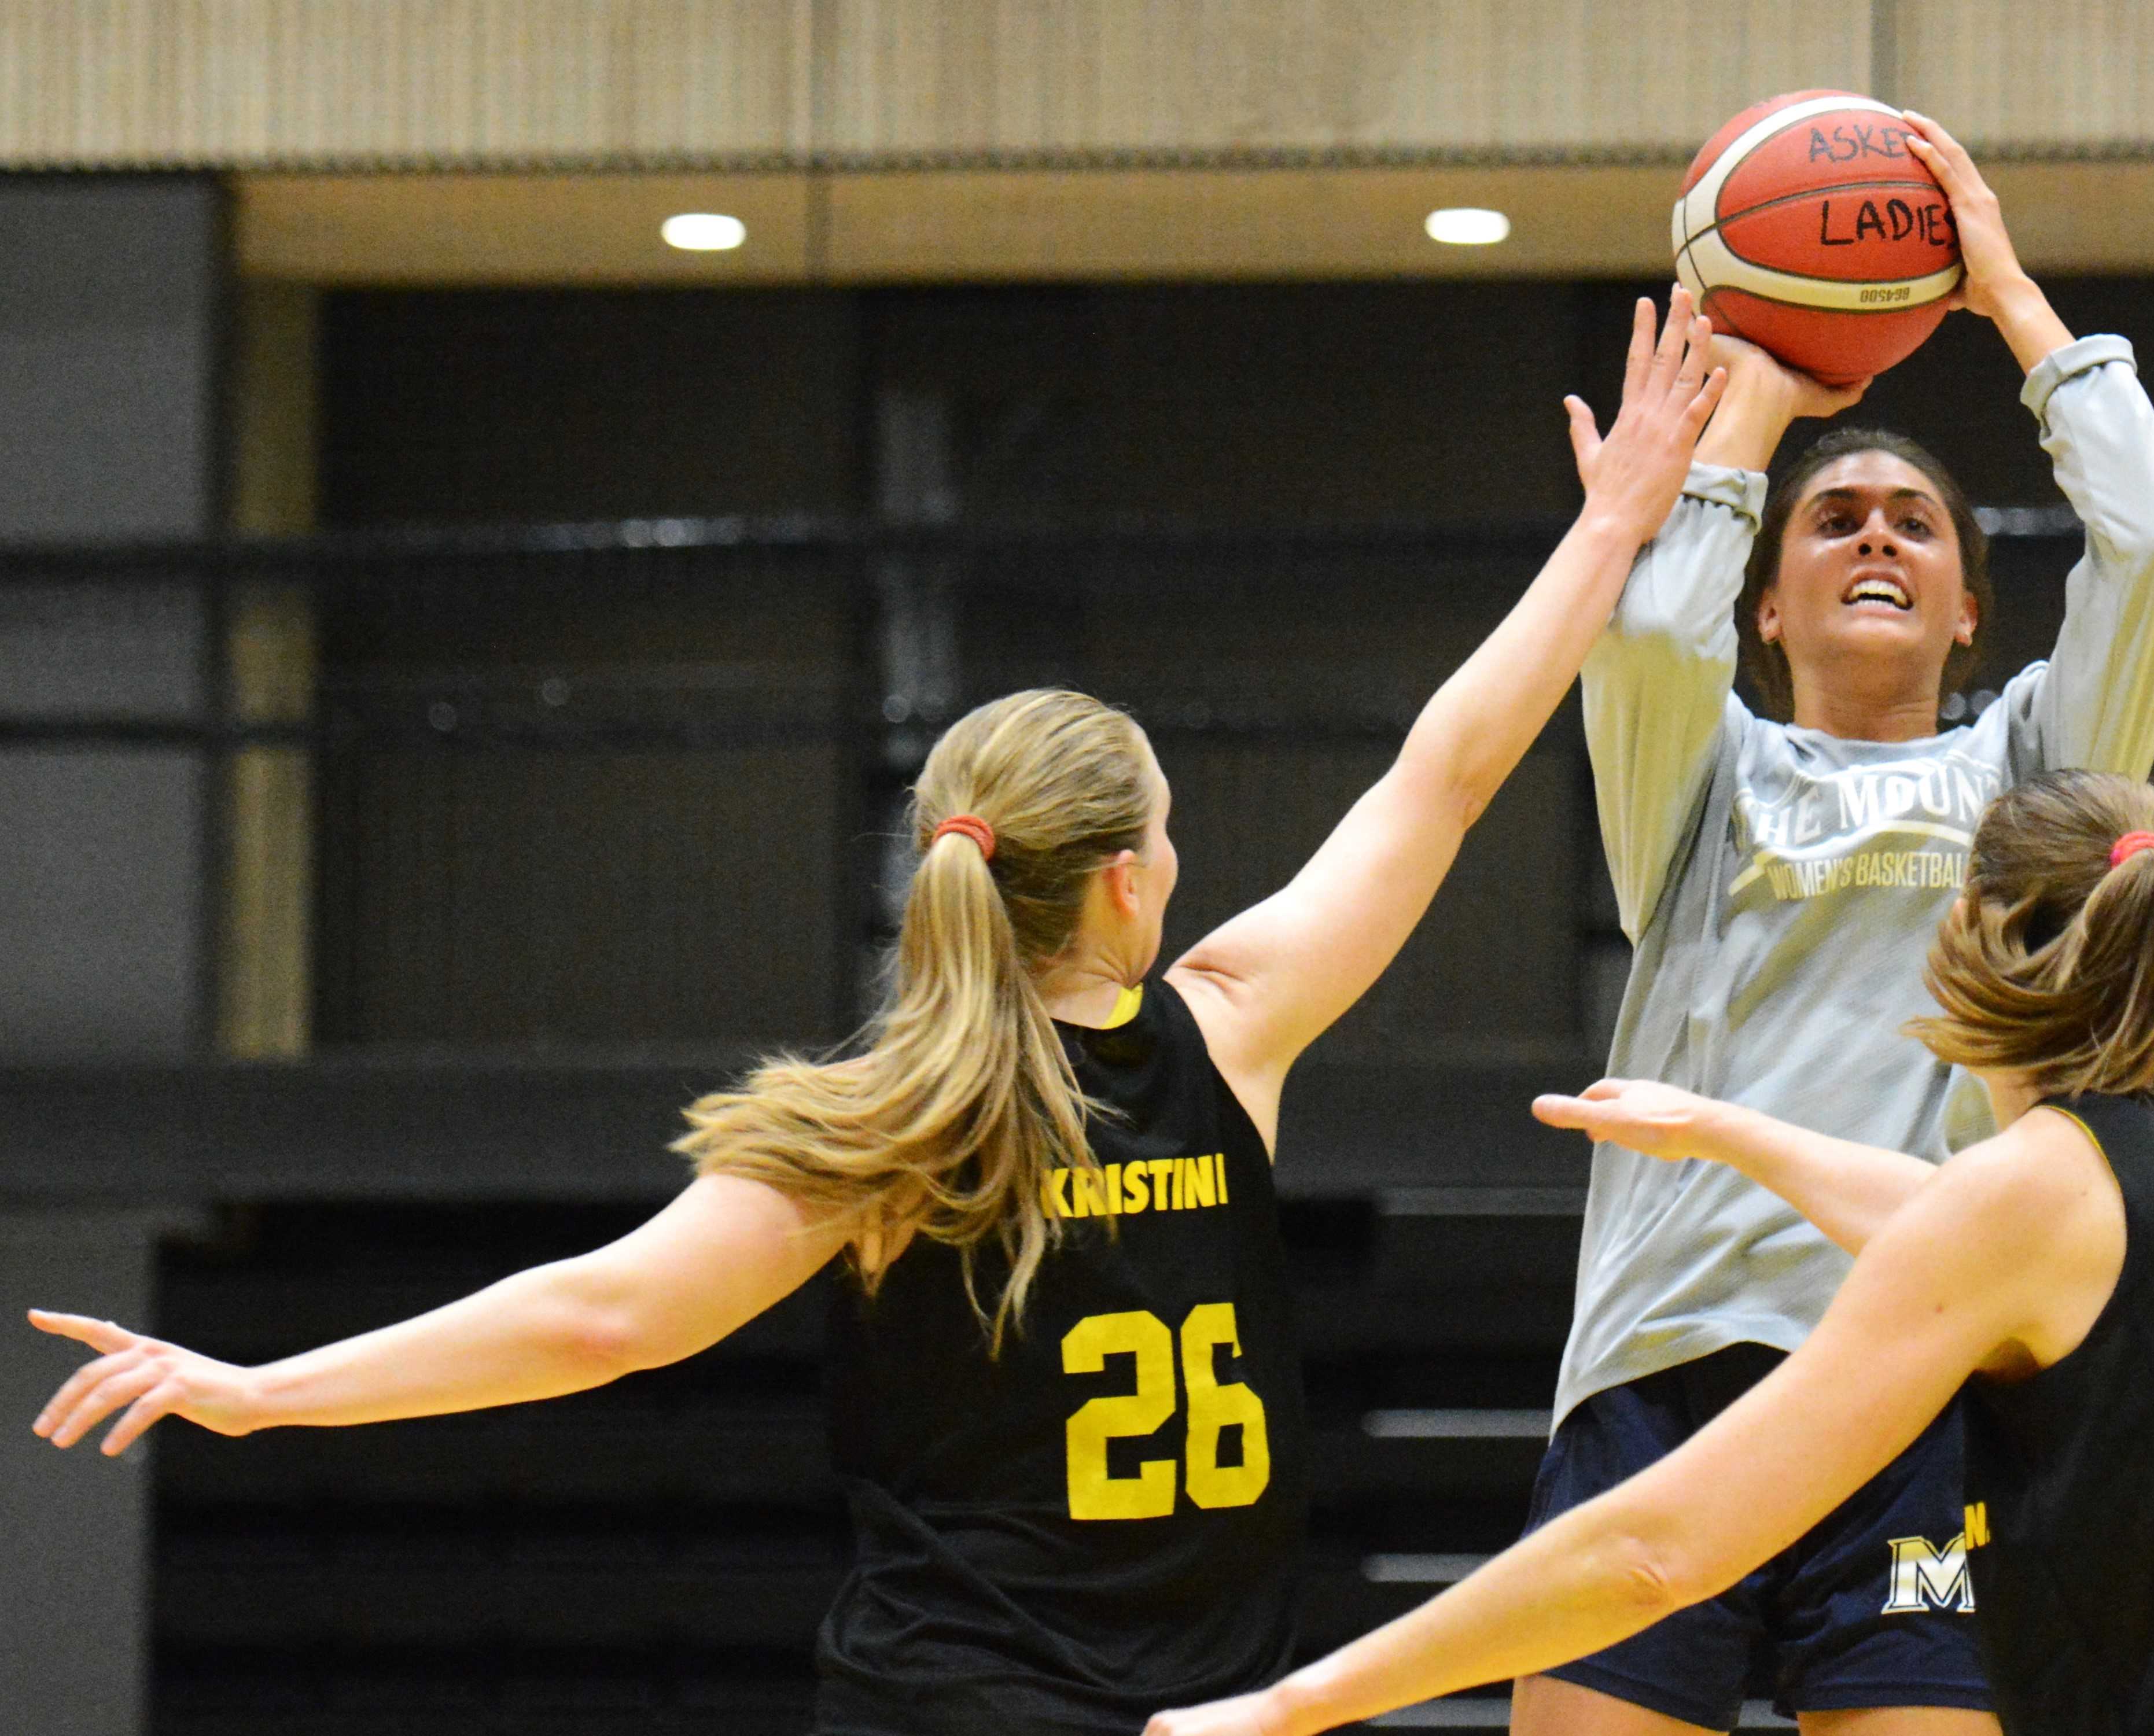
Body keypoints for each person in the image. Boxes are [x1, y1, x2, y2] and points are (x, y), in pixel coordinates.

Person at [24, 292, 1748, 1736]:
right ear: (1136, 882)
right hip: (1193, 1707)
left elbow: (599, 1317)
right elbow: (1440, 775)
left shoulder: (878, 1124)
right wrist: (1611, 526)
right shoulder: (1226, 1028)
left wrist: (266, 1393)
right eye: (1165, 831)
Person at [1144, 769, 2154, 1736]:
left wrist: (1294, 1705)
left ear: (1958, 957)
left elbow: (1658, 1550)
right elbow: (1945, 1227)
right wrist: (1730, 1133)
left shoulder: (2021, 1201)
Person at [1519, 112, 2154, 1736]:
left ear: (1971, 605)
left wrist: (2009, 297)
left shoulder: (2033, 773)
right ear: (1770, 604)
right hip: (1667, 1361)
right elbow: (1647, 628)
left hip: (1923, 1374)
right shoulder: (1700, 772)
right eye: (1833, 522)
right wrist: (1761, 363)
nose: (1876, 533)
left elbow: (2151, 544)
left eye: (1914, 522)